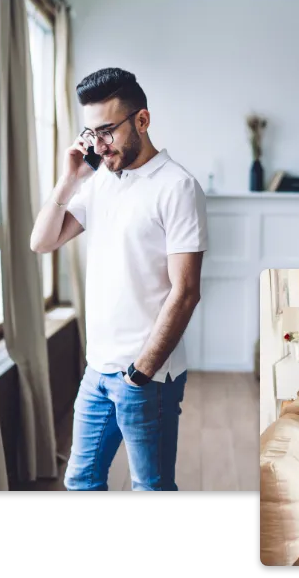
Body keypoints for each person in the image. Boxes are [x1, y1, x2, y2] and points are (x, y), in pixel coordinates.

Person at [30, 68, 208, 490]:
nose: (99, 144)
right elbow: (42, 241)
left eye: (107, 131)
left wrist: (141, 373)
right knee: (80, 481)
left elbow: (185, 292)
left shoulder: (178, 187)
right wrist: (70, 176)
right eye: (91, 134)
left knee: (150, 487)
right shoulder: (100, 183)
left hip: (147, 376)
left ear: (142, 121)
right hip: (97, 370)